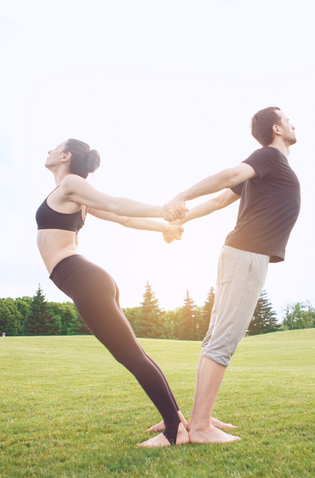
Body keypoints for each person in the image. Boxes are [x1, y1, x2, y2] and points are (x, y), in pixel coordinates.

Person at [158, 107, 301, 443]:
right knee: (224, 339)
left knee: (216, 337)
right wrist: (180, 197)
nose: (295, 123)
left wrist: (181, 221)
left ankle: (199, 418)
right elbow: (226, 178)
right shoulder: (268, 157)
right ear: (277, 129)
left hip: (241, 253)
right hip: (247, 254)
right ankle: (202, 427)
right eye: (289, 119)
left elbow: (221, 200)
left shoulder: (268, 167)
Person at [36, 138, 189, 447]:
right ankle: (175, 417)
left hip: (85, 280)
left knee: (131, 356)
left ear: (65, 156)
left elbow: (118, 206)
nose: (47, 150)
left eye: (54, 147)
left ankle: (174, 432)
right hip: (87, 280)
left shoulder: (71, 184)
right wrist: (164, 228)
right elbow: (125, 219)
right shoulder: (71, 192)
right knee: (135, 354)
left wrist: (165, 212)